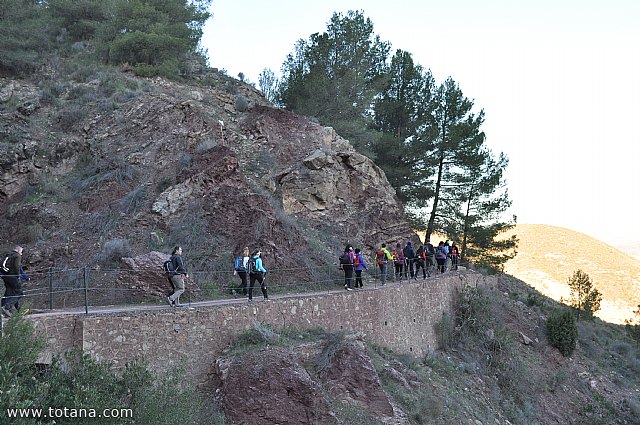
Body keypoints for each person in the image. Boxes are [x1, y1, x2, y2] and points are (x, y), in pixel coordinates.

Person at [1, 244, 29, 317]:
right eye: (21, 251)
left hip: (5, 276)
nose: (21, 252)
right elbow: (17, 267)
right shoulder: (17, 256)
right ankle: (7, 307)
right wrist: (17, 276)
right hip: (12, 276)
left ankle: (3, 310)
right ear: (18, 250)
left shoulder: (8, 255)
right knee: (19, 292)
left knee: (9, 292)